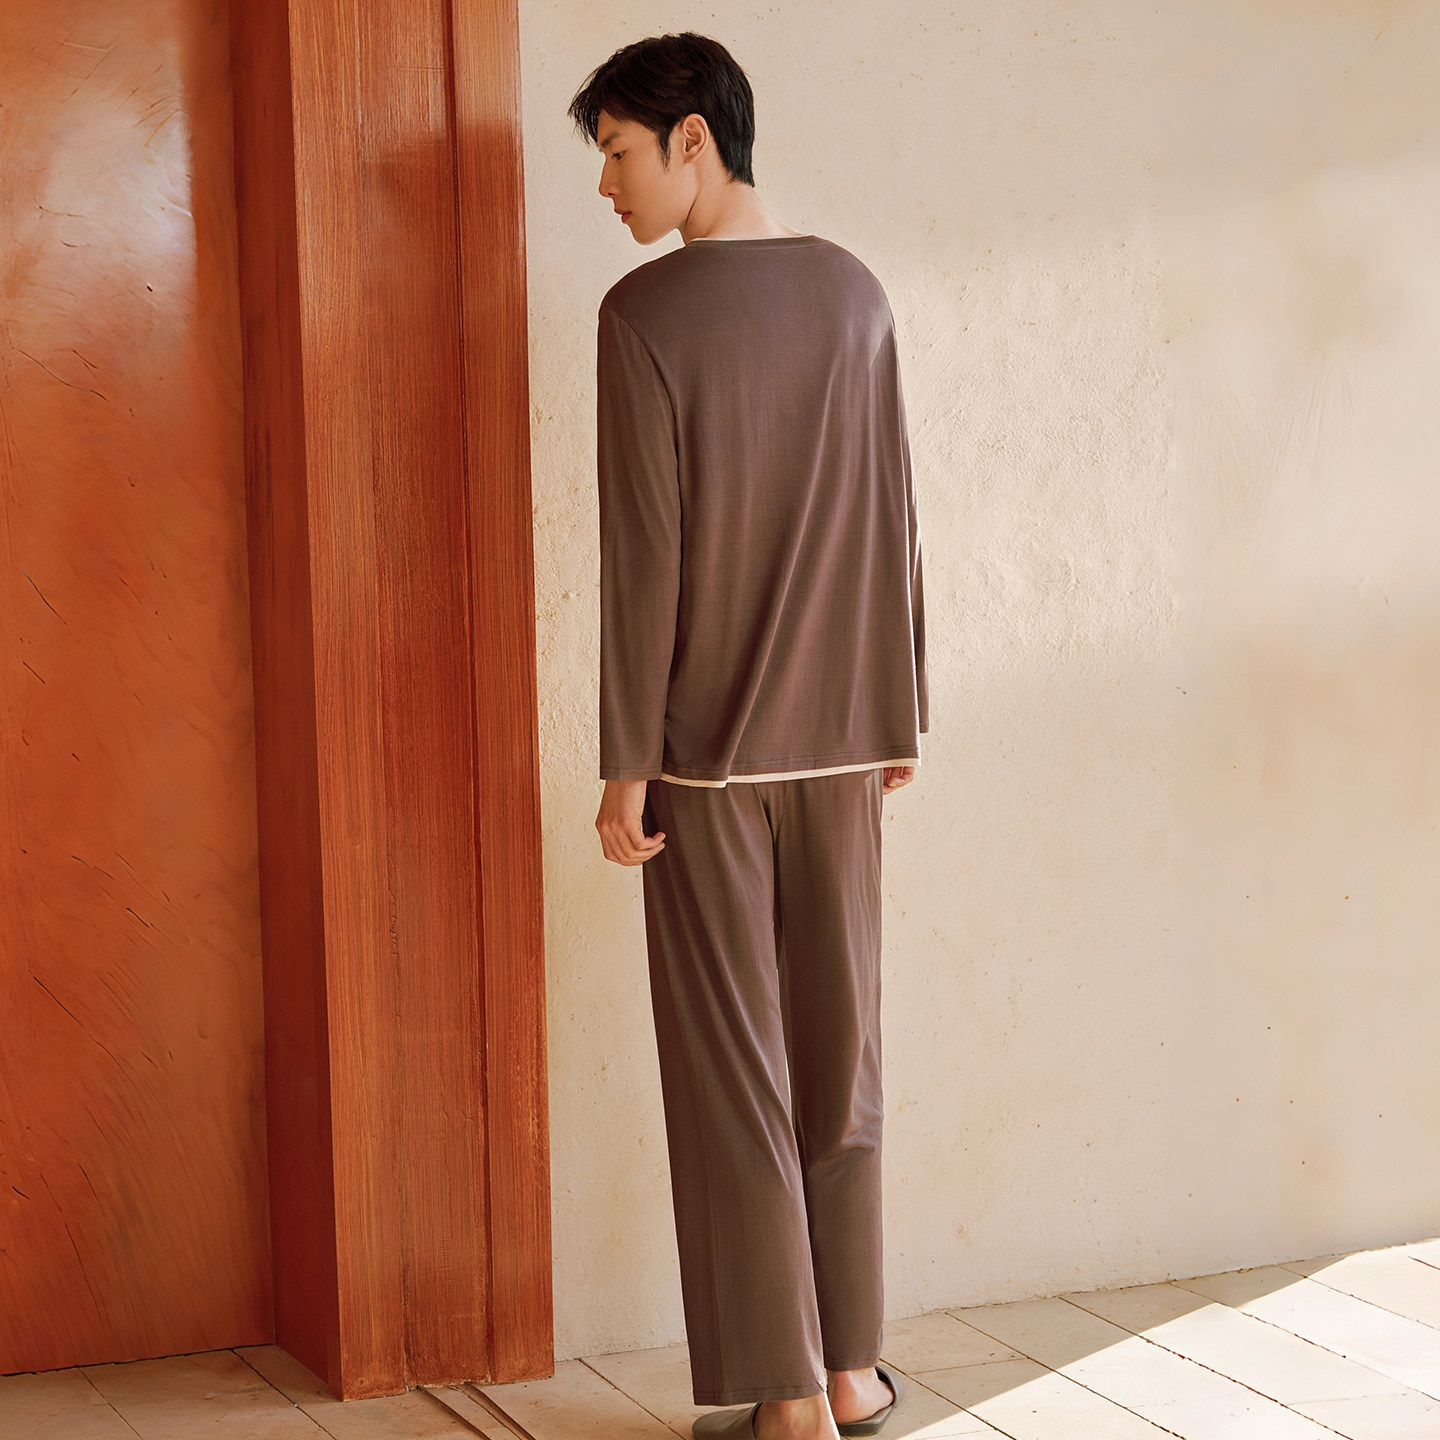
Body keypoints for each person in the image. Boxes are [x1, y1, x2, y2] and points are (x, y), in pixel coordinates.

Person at [568, 32, 927, 1440]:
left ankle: (788, 1399)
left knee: (736, 1074)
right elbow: (891, 508)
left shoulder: (645, 317)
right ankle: (851, 1370)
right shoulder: (856, 292)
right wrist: (899, 703)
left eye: (617, 150)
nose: (606, 184)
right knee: (842, 1060)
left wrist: (624, 766)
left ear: (692, 138)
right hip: (845, 741)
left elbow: (643, 560)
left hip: (706, 763)